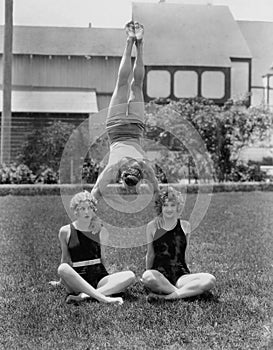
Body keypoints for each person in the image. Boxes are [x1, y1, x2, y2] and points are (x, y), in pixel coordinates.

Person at [91, 20, 159, 201]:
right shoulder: (113, 166)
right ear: (123, 177)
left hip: (136, 127)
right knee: (122, 84)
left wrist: (159, 200)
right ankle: (130, 42)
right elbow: (96, 191)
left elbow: (157, 189)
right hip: (115, 127)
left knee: (136, 85)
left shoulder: (145, 166)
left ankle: (139, 45)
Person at [49, 191, 136, 304]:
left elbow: (103, 258)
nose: (87, 212)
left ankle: (86, 296)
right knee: (62, 268)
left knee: (130, 275)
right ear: (76, 211)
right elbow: (65, 258)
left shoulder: (101, 230)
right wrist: (61, 281)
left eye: (90, 208)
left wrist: (111, 279)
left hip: (99, 276)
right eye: (82, 208)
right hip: (78, 279)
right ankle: (104, 298)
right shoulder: (65, 231)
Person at [142, 187, 216, 301]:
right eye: (165, 205)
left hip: (181, 275)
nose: (169, 209)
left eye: (172, 205)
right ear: (160, 207)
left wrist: (190, 274)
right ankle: (187, 293)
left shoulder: (185, 226)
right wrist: (147, 274)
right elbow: (150, 253)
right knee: (147, 276)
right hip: (159, 274)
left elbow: (185, 253)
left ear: (178, 207)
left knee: (210, 279)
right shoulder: (152, 226)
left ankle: (167, 297)